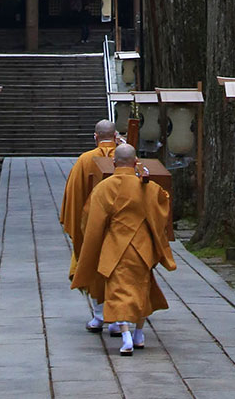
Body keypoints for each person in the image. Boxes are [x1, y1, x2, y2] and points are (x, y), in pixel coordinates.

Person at [70, 144, 176, 355]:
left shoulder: (104, 188)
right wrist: (144, 178)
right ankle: (138, 334)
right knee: (141, 289)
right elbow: (163, 203)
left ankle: (125, 336)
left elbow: (91, 221)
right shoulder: (148, 186)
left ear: (114, 163)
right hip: (142, 247)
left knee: (119, 291)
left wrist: (91, 247)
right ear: (136, 161)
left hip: (116, 246)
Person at [61, 119, 121, 331]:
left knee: (93, 266)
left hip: (92, 226)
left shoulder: (85, 160)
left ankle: (99, 315)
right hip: (123, 227)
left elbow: (74, 195)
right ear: (115, 137)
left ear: (95, 137)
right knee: (119, 270)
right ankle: (118, 319)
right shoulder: (126, 159)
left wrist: (78, 224)